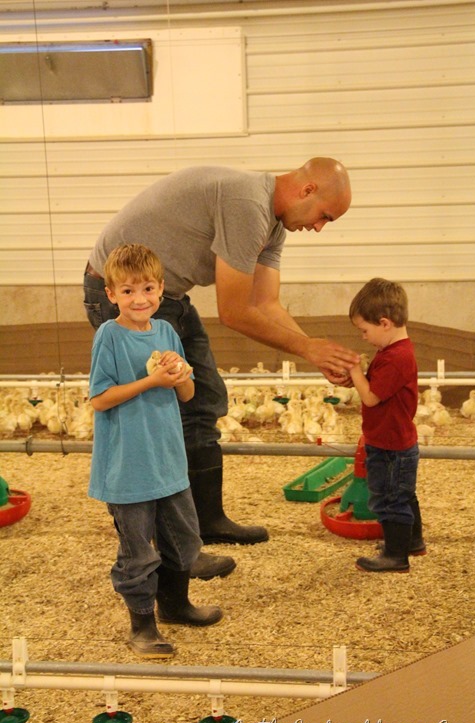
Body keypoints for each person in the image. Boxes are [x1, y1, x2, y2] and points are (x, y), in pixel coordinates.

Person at [83, 158, 359, 581]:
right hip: (126, 295)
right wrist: (308, 348)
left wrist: (315, 353)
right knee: (158, 415)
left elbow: (265, 303)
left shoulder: (273, 224)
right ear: (307, 190)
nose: (320, 227)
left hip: (167, 296)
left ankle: (204, 523)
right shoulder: (248, 205)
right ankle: (171, 548)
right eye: (325, 216)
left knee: (204, 398)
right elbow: (234, 311)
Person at [88, 244, 222, 658]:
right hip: (128, 466)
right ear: (111, 295)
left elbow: (188, 394)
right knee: (138, 551)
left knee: (183, 537)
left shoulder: (166, 333)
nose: (139, 299)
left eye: (147, 289)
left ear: (161, 289)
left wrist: (180, 376)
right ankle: (142, 625)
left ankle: (176, 605)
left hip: (168, 461)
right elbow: (100, 399)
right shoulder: (109, 336)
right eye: (128, 291)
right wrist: (151, 381)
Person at [346, 278, 426, 573]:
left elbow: (371, 397)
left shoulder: (396, 357)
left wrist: (354, 370)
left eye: (364, 330)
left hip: (390, 445)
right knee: (403, 495)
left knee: (389, 499)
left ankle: (395, 556)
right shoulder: (394, 352)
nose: (363, 337)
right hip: (394, 439)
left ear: (384, 323)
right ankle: (411, 542)